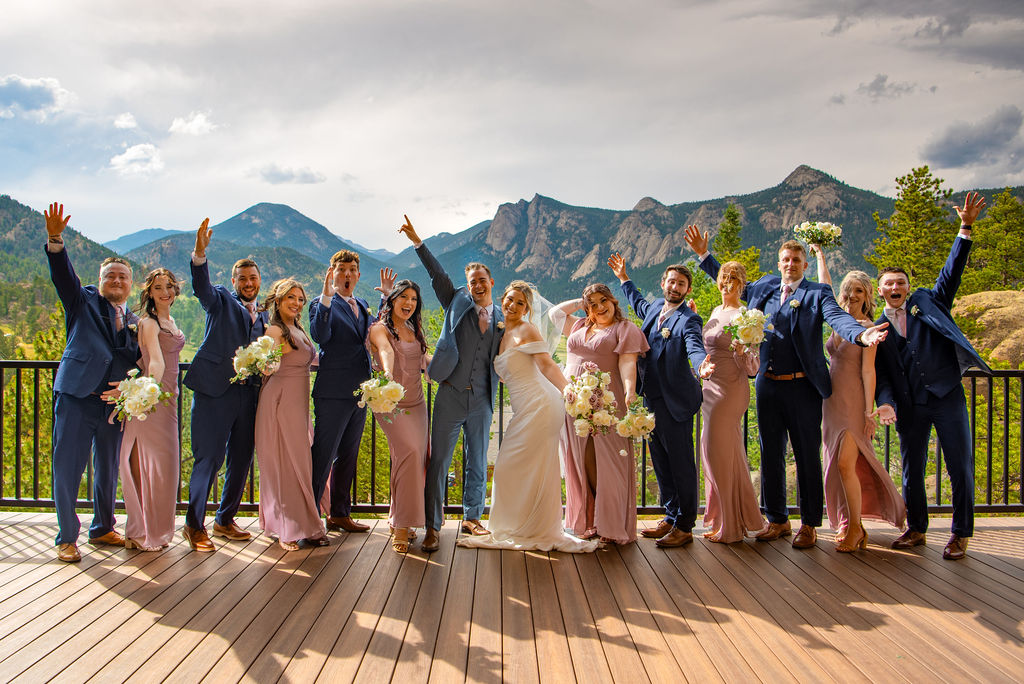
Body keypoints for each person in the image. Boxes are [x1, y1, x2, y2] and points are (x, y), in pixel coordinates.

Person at [685, 226, 888, 549]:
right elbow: (731, 284)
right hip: (768, 384)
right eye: (785, 259)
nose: (790, 264)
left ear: (804, 265)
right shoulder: (764, 288)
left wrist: (861, 335)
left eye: (796, 260)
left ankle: (809, 524)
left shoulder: (816, 294)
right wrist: (703, 256)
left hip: (803, 387)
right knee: (770, 454)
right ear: (778, 263)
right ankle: (777, 519)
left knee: (807, 455)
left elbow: (837, 318)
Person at [874, 192, 991, 560]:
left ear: (909, 288)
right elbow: (882, 376)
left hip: (947, 396)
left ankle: (960, 533)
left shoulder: (929, 302)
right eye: (889, 285)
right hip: (911, 405)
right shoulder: (878, 329)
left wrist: (965, 228)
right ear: (881, 292)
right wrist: (887, 403)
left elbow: (951, 273)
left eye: (901, 284)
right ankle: (918, 528)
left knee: (959, 465)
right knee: (911, 470)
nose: (896, 289)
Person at [458, 282, 599, 553]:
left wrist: (568, 389)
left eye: (520, 303)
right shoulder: (501, 331)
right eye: (510, 300)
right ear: (503, 299)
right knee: (517, 469)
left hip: (542, 406)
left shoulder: (526, 329)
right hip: (525, 409)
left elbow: (546, 363)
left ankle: (534, 529)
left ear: (527, 309)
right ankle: (518, 526)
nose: (513, 306)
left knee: (514, 466)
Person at [398, 215, 504, 553]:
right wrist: (419, 243)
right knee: (439, 461)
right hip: (450, 396)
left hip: (484, 399)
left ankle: (473, 518)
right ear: (467, 284)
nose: (477, 285)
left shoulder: (504, 317)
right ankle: (433, 526)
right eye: (472, 280)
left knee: (477, 461)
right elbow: (437, 275)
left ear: (491, 281)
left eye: (482, 279)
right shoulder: (456, 301)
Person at [43, 203, 140, 562]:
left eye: (122, 277)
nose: (116, 281)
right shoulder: (81, 301)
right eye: (110, 276)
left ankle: (102, 528)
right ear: (99, 281)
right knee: (68, 467)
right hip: (76, 396)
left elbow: (139, 363)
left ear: (131, 285)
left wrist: (127, 391)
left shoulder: (134, 319)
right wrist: (56, 242)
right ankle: (67, 537)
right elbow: (62, 275)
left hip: (114, 405)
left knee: (107, 470)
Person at [609, 255, 707, 547]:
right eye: (672, 281)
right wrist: (624, 278)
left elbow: (694, 346)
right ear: (663, 283)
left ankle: (685, 525)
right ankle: (671, 514)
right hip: (652, 399)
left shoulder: (689, 318)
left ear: (687, 289)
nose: (675, 286)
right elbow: (637, 302)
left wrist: (702, 366)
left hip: (676, 403)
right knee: (661, 462)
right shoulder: (654, 308)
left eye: (681, 283)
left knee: (681, 464)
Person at [182, 219, 268, 552]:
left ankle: (224, 519)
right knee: (208, 459)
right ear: (233, 281)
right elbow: (201, 287)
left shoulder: (262, 316)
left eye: (253, 278)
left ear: (260, 281)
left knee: (242, 458)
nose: (248, 283)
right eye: (242, 278)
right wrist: (200, 254)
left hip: (248, 396)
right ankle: (194, 525)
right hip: (214, 394)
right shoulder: (219, 300)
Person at [814, 263, 907, 552]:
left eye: (859, 291)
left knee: (845, 463)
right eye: (849, 290)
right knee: (835, 464)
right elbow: (823, 286)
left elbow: (869, 372)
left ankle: (856, 527)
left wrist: (869, 412)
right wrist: (819, 254)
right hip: (831, 402)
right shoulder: (838, 322)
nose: (852, 295)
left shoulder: (869, 329)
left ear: (868, 296)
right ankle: (846, 521)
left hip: (854, 403)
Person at [552, 284, 649, 544]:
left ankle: (612, 524)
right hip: (576, 403)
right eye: (593, 304)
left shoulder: (624, 329)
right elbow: (555, 314)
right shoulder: (579, 325)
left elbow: (627, 363)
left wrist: (629, 392)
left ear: (613, 301)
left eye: (603, 300)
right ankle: (592, 521)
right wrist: (583, 301)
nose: (599, 307)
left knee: (610, 462)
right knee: (583, 461)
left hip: (607, 400)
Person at [695, 261, 767, 543]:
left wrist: (739, 351)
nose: (728, 283)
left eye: (734, 279)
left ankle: (731, 529)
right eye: (724, 277)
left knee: (717, 453)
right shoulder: (716, 311)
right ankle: (728, 517)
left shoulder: (747, 316)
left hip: (730, 390)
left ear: (742, 284)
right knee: (725, 455)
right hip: (709, 388)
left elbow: (753, 368)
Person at [254, 279, 327, 550]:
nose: (296, 303)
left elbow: (311, 358)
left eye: (299, 299)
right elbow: (268, 369)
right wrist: (263, 356)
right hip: (280, 401)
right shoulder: (274, 330)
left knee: (299, 463)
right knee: (285, 464)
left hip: (297, 403)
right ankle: (286, 528)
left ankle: (302, 523)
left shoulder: (297, 328)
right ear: (278, 301)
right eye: (290, 299)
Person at [309, 250, 378, 534]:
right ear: (332, 273)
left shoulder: (362, 304)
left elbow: (374, 333)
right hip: (333, 393)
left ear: (358, 275)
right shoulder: (320, 303)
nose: (347, 275)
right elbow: (320, 335)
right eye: (342, 270)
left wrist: (386, 299)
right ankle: (309, 517)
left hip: (360, 394)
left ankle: (339, 514)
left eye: (352, 270)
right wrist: (325, 298)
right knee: (323, 456)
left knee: (348, 456)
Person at [119, 268, 186, 551]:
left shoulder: (170, 320)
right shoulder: (148, 323)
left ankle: (157, 529)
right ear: (149, 292)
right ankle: (139, 531)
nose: (165, 292)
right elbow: (155, 362)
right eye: (158, 287)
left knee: (166, 468)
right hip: (152, 399)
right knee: (144, 464)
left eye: (169, 286)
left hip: (169, 400)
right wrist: (150, 393)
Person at [368, 280, 431, 553]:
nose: (409, 302)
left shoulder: (413, 329)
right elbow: (385, 351)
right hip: (390, 402)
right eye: (403, 297)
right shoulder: (379, 328)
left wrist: (437, 368)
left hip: (417, 403)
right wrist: (387, 376)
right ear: (392, 300)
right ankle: (403, 526)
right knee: (409, 453)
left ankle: (398, 518)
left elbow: (423, 359)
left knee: (417, 458)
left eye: (414, 299)